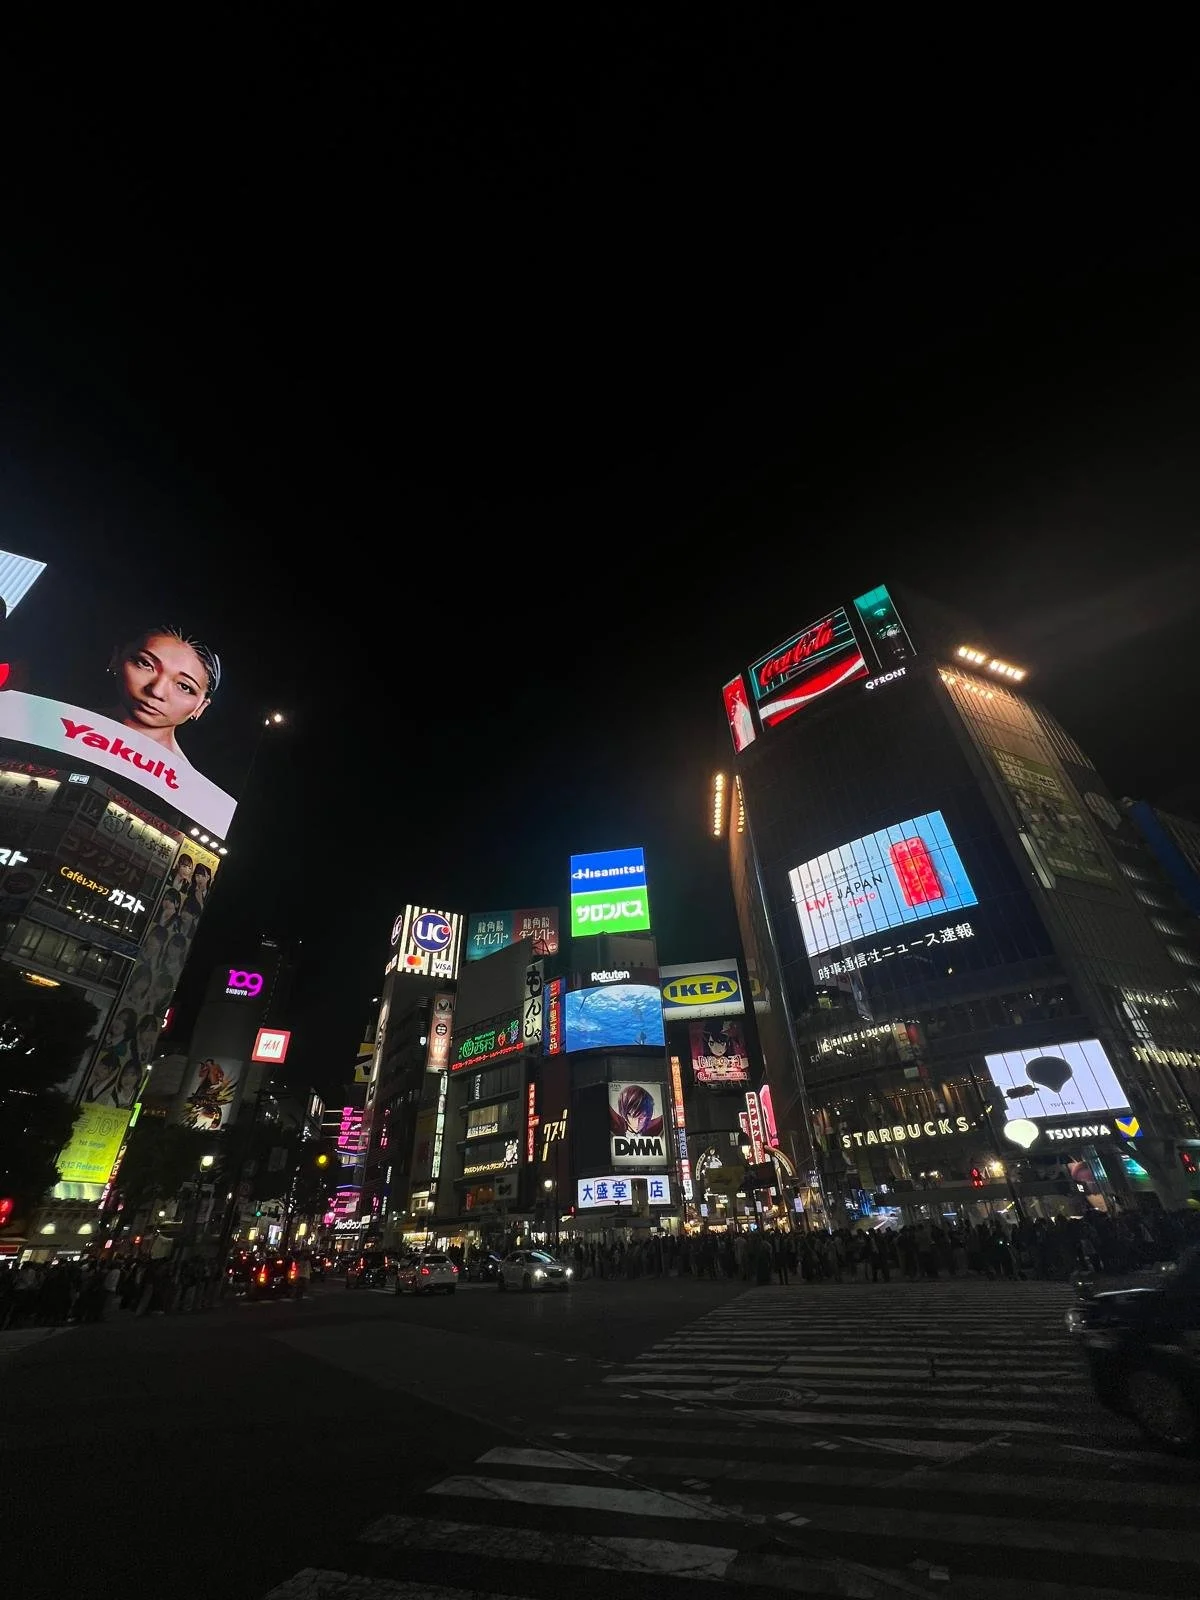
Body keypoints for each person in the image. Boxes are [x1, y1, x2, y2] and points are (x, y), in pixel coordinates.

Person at [99, 627, 221, 765]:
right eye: (145, 664)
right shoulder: (69, 722)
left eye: (184, 687)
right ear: (116, 658)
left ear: (201, 707)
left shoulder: (186, 783)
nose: (157, 691)